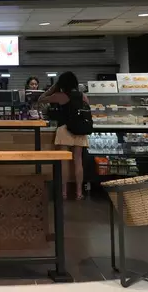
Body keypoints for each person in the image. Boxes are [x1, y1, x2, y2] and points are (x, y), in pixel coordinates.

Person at [39, 71, 88, 200]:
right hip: (80, 129)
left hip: (64, 129)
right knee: (78, 161)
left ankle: (64, 192)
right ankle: (79, 193)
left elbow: (41, 99)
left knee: (64, 162)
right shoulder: (83, 96)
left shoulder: (60, 96)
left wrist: (53, 88)